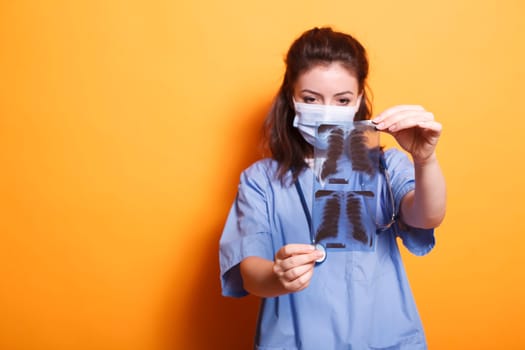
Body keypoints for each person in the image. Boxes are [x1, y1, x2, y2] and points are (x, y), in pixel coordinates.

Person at [219, 27, 446, 350]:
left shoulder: (385, 165)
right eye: (311, 99)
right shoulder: (260, 180)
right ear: (291, 99)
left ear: (357, 102)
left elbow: (426, 216)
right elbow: (248, 269)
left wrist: (426, 160)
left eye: (341, 100)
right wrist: (277, 275)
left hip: (385, 338)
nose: (326, 110)